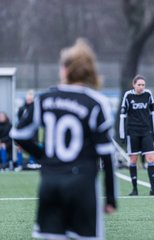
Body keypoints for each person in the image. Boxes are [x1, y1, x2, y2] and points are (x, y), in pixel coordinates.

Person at [10, 39, 117, 239]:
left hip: (51, 183)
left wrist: (45, 156)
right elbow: (107, 155)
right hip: (82, 186)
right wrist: (110, 197)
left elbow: (18, 135)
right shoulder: (96, 102)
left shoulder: (45, 98)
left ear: (66, 70)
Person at [119, 74, 154, 196]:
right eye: (139, 85)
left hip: (146, 132)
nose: (141, 87)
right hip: (132, 132)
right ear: (133, 85)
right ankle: (134, 189)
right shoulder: (128, 96)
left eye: (143, 85)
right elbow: (123, 116)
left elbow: (153, 114)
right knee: (133, 160)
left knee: (150, 158)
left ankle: (153, 189)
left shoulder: (148, 94)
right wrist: (122, 134)